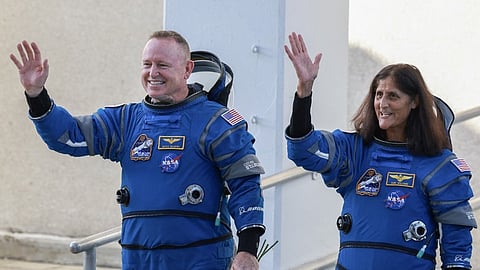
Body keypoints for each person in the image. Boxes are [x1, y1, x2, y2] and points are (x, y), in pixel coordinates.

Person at [10, 30, 265, 270]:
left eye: (162, 65)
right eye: (147, 64)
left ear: (188, 69)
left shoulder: (217, 122)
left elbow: (246, 186)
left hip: (200, 259)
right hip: (138, 258)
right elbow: (68, 136)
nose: (153, 72)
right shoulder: (125, 121)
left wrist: (247, 251)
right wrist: (36, 94)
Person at [283, 32, 477, 270]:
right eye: (378, 95)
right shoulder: (354, 151)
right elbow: (304, 150)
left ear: (414, 101)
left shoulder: (439, 164)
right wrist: (304, 91)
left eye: (393, 96)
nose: (382, 104)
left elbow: (457, 246)